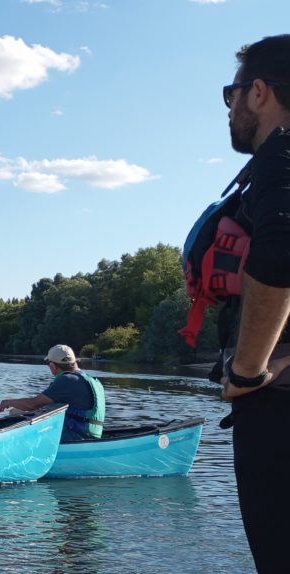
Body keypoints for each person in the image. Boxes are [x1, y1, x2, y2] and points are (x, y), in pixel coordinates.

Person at [208, 35, 290, 574]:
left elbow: (280, 257)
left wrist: (248, 369)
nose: (230, 108)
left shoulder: (281, 154)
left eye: (230, 95)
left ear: (258, 92)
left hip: (278, 410)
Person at [0, 344, 105, 441]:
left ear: (53, 366)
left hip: (76, 435)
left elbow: (33, 404)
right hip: (91, 434)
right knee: (16, 412)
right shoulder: (91, 380)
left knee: (15, 420)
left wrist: (8, 402)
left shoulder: (68, 380)